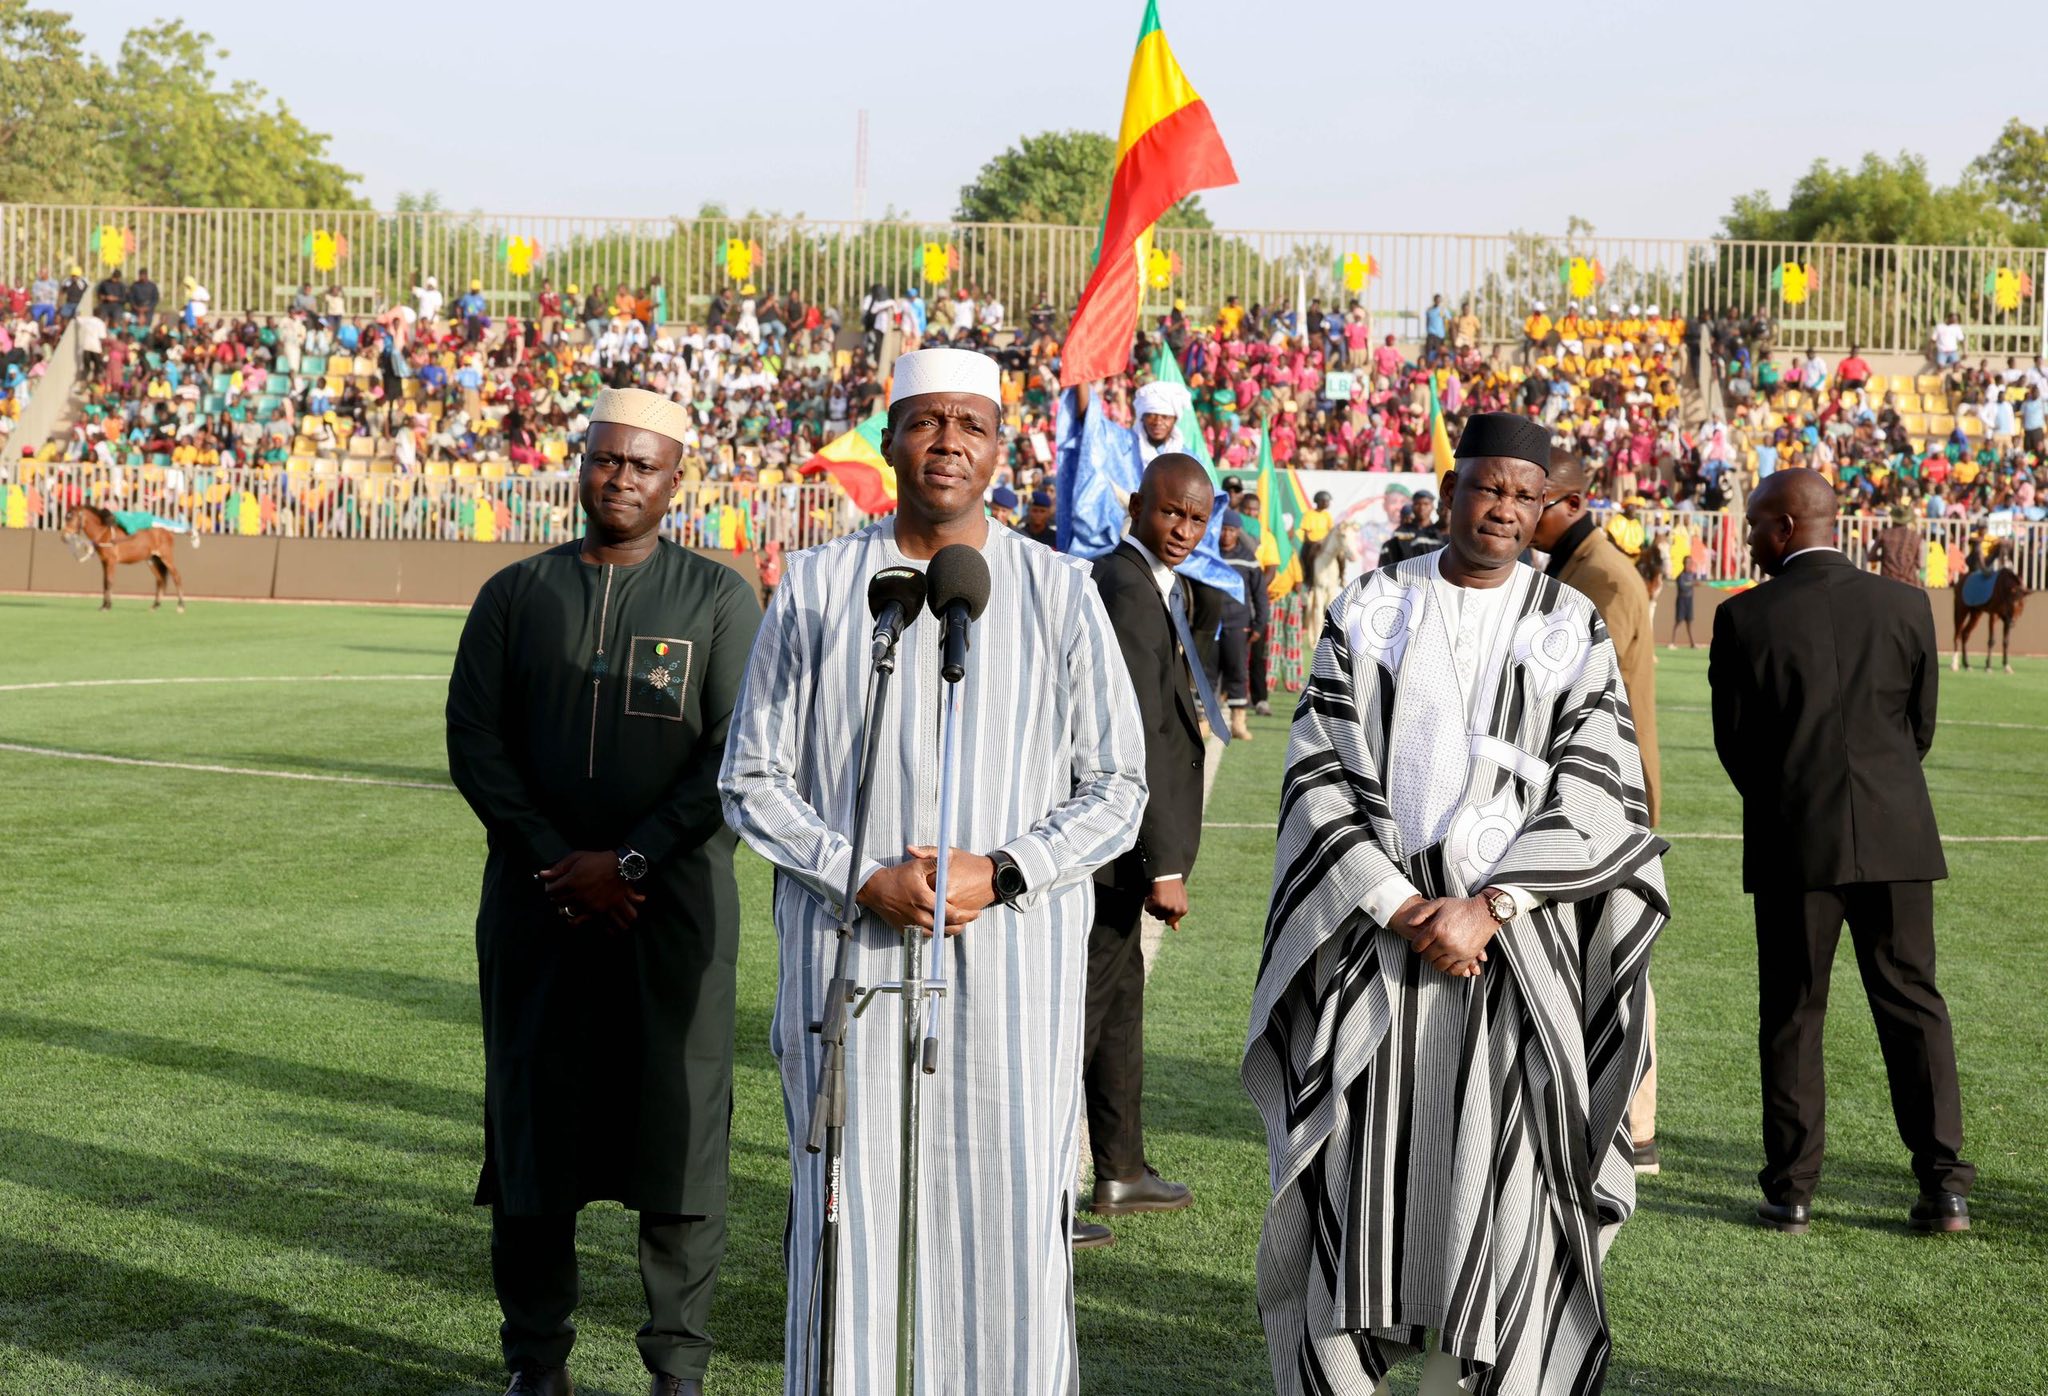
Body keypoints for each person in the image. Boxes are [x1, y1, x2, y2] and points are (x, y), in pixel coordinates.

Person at [718, 347, 1145, 1394]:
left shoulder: (1058, 590)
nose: (947, 442)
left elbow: (1118, 786)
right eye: (925, 421)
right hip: (848, 960)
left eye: (971, 425)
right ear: (889, 438)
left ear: (1000, 448)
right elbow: (751, 777)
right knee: (848, 1227)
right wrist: (859, 874)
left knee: (1006, 1231)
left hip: (1010, 970)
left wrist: (1001, 871)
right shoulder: (819, 585)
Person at [1246, 412, 1667, 1396]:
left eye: (1525, 495)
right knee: (1357, 1180)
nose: (1505, 510)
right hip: (1377, 956)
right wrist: (1402, 905)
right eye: (1489, 488)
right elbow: (1319, 771)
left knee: (1504, 1192)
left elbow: (1599, 790)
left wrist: (1492, 905)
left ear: (1542, 503)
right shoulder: (1372, 607)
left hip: (1515, 960)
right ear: (1451, 491)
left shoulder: (1569, 624)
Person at [446, 386, 763, 1396]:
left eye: (642, 464)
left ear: (676, 480)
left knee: (680, 1134)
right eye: (605, 459)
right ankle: (536, 1361)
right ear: (581, 465)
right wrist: (558, 861)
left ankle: (677, 1367)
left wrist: (628, 861)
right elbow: (475, 743)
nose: (621, 478)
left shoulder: (719, 598)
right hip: (536, 909)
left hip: (672, 915)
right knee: (532, 1130)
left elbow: (732, 753)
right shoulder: (515, 593)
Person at [1709, 467, 1973, 1236]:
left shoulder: (1744, 616)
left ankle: (1792, 1192)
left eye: (1756, 524)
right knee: (1914, 1005)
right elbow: (1918, 728)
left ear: (1787, 526)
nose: (1750, 538)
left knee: (1794, 1012)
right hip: (1898, 835)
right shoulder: (1905, 605)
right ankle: (1945, 1189)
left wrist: (1792, 797)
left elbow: (1736, 746)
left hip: (1796, 840)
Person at [1074, 453, 1225, 1249]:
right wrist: (1164, 864)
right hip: (1112, 849)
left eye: (1196, 518)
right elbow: (1137, 736)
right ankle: (1039, 1193)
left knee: (1117, 1005)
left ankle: (1121, 1168)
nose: (1182, 530)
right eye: (1170, 512)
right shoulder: (1127, 587)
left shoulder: (1153, 584)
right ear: (1135, 505)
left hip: (1119, 849)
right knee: (1080, 1014)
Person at [1529, 449, 1664, 1175]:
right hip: (1579, 787)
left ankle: (1635, 1128)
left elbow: (1579, 698)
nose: (1523, 515)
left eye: (1537, 500)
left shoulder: (1604, 577)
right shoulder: (1577, 568)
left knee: (1616, 953)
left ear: (1573, 503)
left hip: (1605, 791)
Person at [1218, 508, 1264, 739]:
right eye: (1223, 529)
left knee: (1237, 671)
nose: (1227, 534)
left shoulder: (1248, 558)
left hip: (1238, 624)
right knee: (1205, 672)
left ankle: (1238, 723)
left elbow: (1259, 594)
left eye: (1231, 530)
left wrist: (1259, 624)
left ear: (1238, 532)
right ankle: (1203, 720)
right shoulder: (1209, 554)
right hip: (1210, 624)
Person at [1377, 488, 1443, 565]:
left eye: (1426, 504)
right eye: (1417, 504)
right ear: (1412, 506)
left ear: (1432, 507)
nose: (1422, 507)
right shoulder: (1401, 532)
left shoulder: (1439, 531)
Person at [1671, 548, 1702, 648]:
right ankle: (1672, 643)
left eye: (1690, 563)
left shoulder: (1692, 575)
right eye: (1687, 563)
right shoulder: (1681, 576)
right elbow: (1682, 587)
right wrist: (1692, 584)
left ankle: (1692, 643)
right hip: (1682, 600)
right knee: (1679, 621)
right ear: (1684, 564)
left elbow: (1695, 582)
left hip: (1689, 600)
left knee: (1689, 622)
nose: (1689, 565)